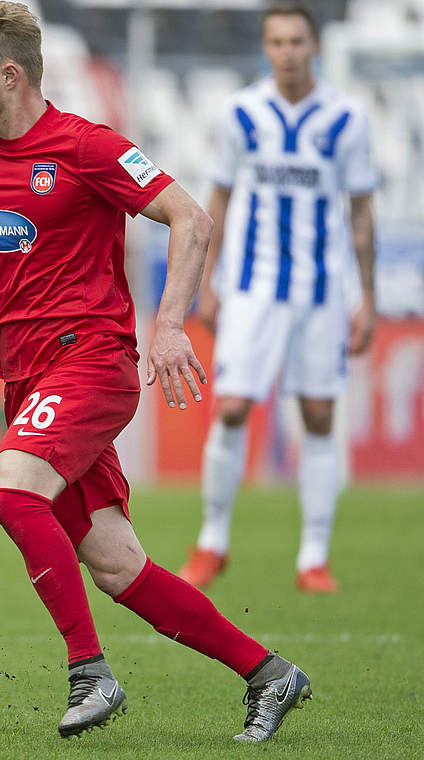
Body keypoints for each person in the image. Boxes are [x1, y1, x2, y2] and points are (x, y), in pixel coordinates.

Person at [0, 3, 310, 743]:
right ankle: (270, 673)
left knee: (12, 493)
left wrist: (168, 325)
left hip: (91, 360)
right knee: (115, 564)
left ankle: (88, 672)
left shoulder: (88, 146)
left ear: (10, 76)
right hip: (26, 377)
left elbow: (192, 218)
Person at [179, 1, 377, 594]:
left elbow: (362, 213)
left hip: (321, 292)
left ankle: (313, 557)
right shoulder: (241, 113)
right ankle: (213, 542)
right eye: (277, 42)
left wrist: (366, 296)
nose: (287, 52)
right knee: (234, 405)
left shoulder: (348, 119)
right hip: (252, 288)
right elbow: (218, 199)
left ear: (314, 45)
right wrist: (205, 281)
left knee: (318, 416)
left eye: (296, 41)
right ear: (265, 48)